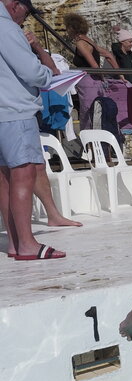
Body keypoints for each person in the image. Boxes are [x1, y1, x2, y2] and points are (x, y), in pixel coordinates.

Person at [1, 0, 65, 260]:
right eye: (25, 13)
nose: (23, 20)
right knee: (24, 173)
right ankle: (27, 244)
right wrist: (50, 76)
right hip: (15, 110)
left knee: (4, 178)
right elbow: (30, 72)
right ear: (15, 5)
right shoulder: (6, 27)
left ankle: (16, 243)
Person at [64, 11, 119, 131]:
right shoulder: (90, 41)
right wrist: (120, 74)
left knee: (87, 112)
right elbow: (108, 55)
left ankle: (89, 143)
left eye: (67, 27)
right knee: (98, 111)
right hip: (96, 81)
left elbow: (92, 63)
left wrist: (101, 75)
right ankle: (99, 142)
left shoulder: (80, 43)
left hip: (87, 81)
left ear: (72, 28)